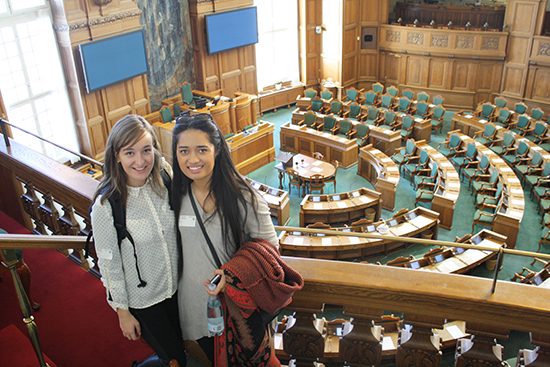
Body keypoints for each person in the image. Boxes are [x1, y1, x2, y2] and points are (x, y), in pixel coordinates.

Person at [171, 113, 279, 364]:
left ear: (217, 150)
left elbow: (271, 249)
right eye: (184, 151)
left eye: (201, 150)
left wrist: (231, 274)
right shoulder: (175, 193)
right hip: (194, 306)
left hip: (238, 308)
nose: (193, 159)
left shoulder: (244, 197)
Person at [90, 115, 186, 367]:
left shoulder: (164, 175)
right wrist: (122, 311)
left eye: (146, 150)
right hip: (144, 301)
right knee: (175, 359)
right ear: (116, 155)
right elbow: (109, 265)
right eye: (130, 153)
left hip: (177, 288)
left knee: (179, 350)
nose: (140, 160)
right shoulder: (106, 205)